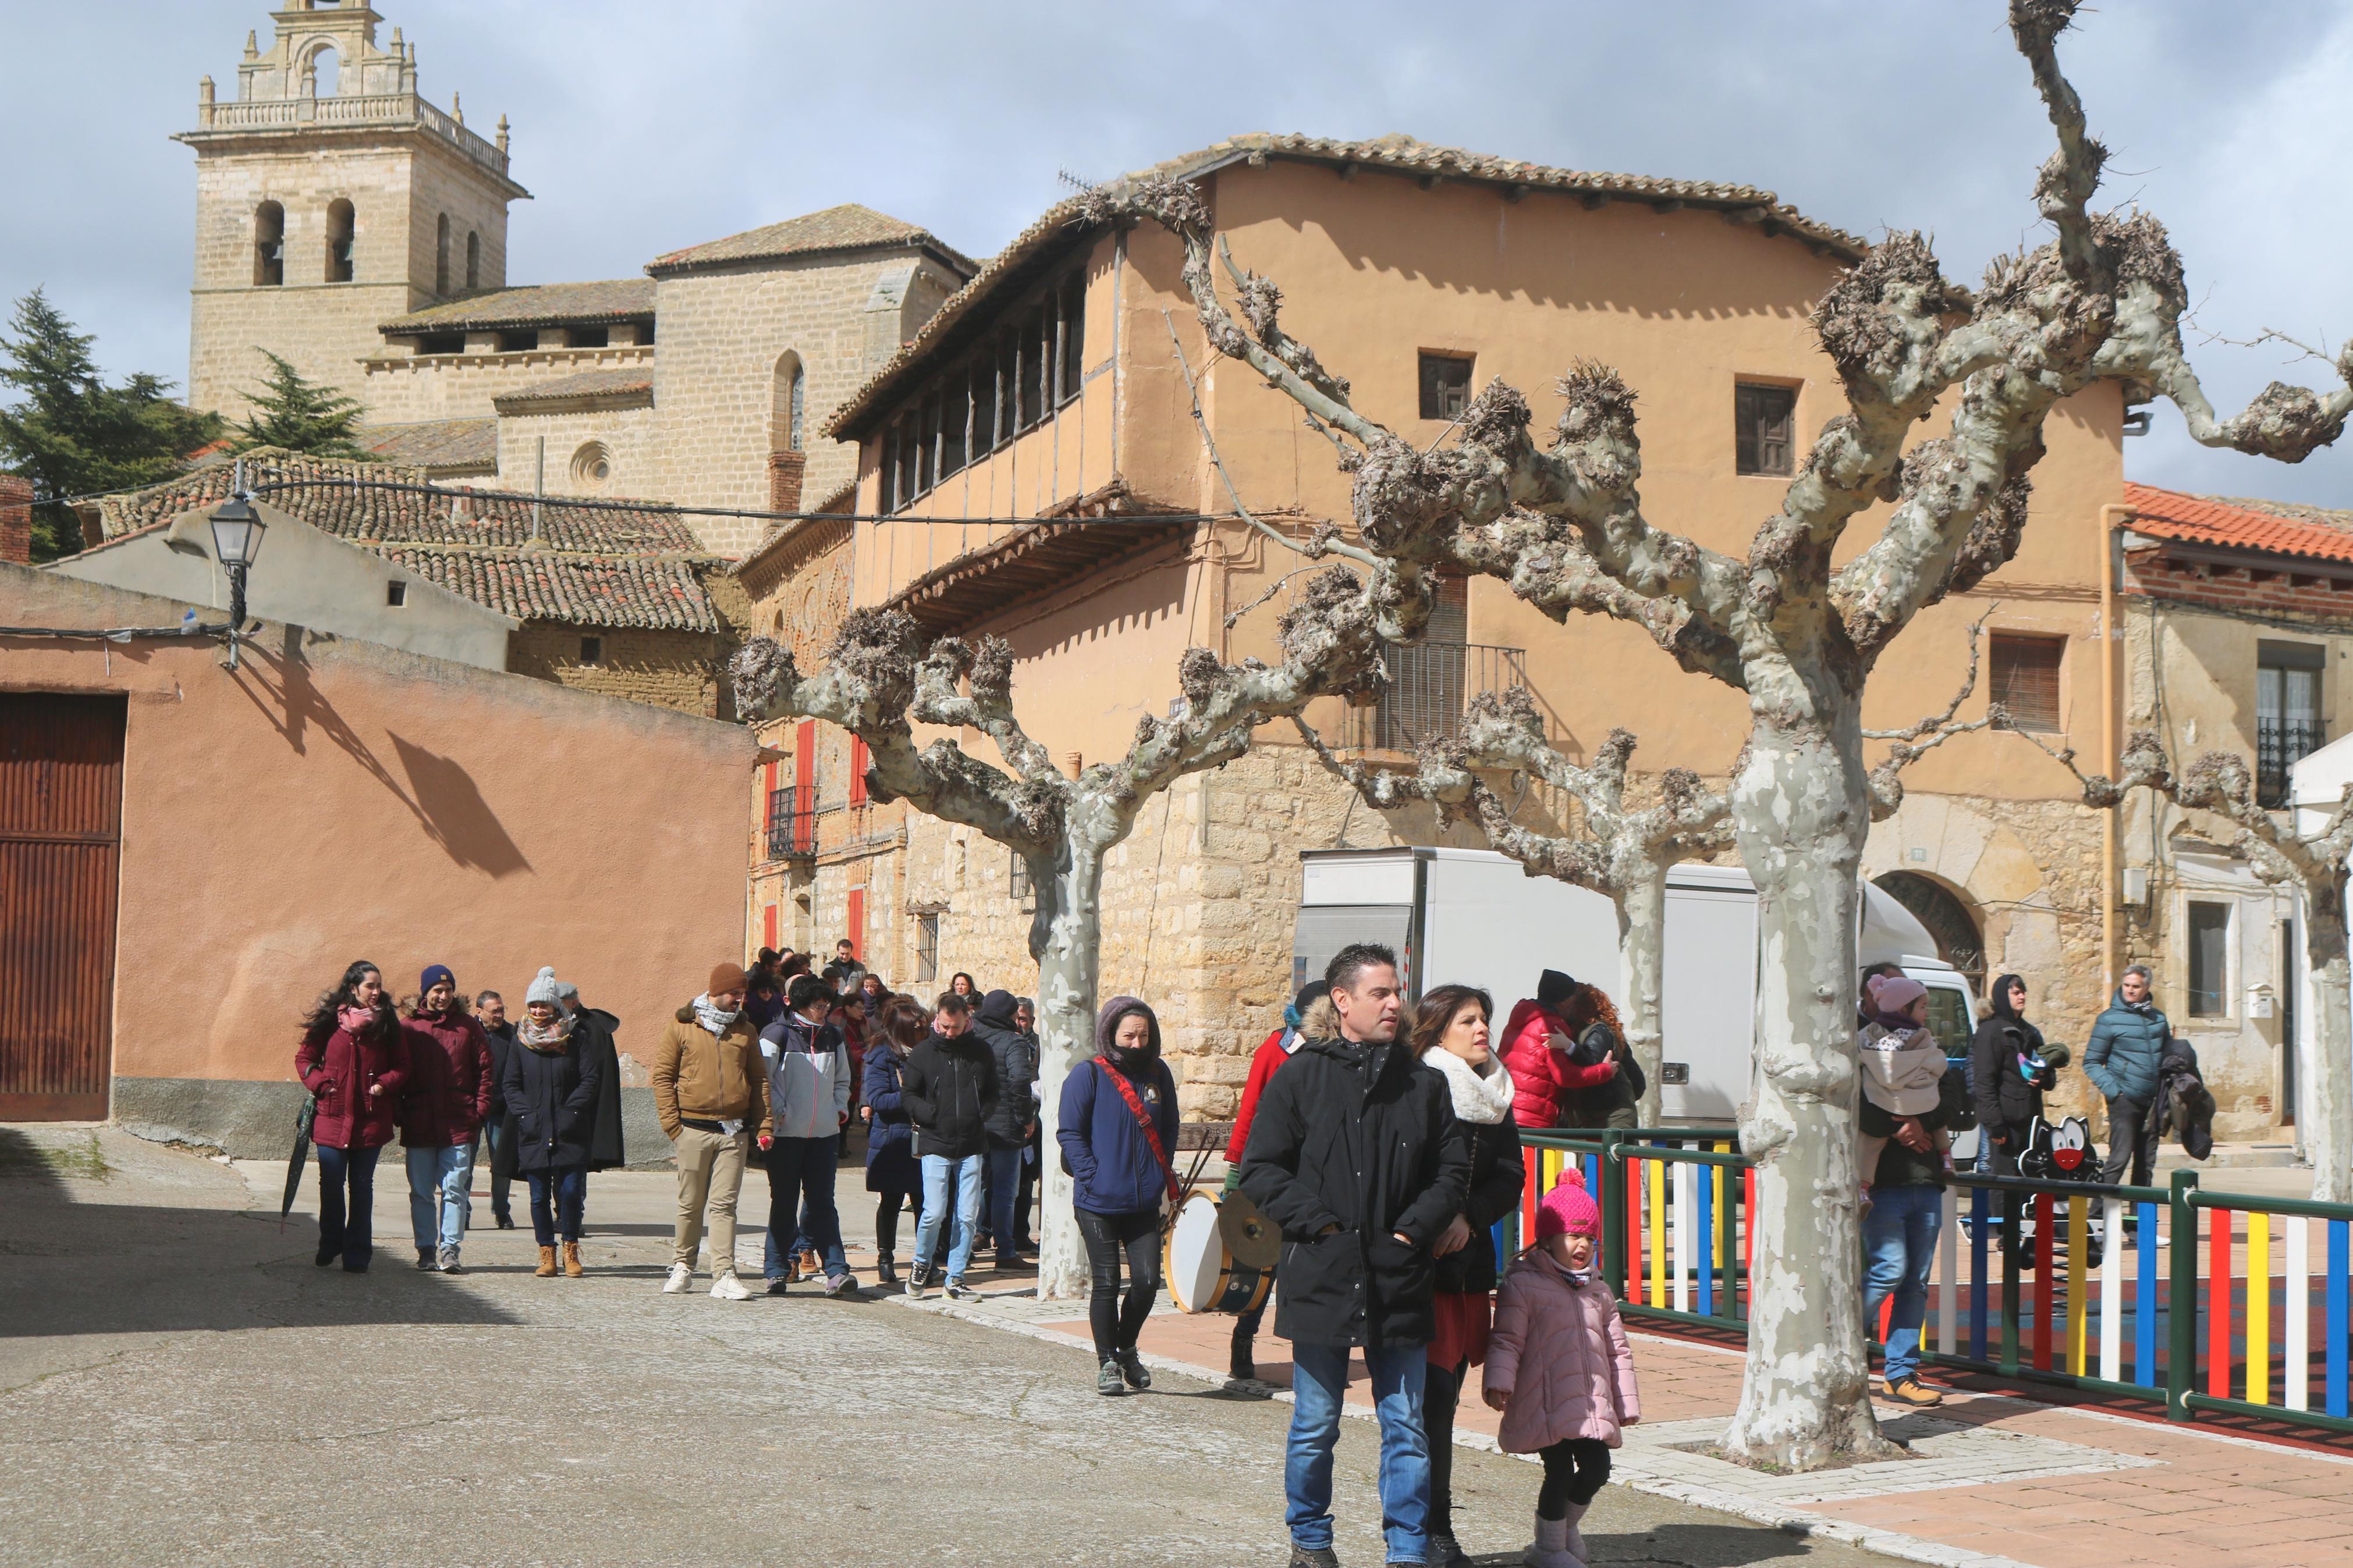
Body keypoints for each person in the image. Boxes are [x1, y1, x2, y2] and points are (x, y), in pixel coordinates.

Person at [1240, 943, 1470, 1568]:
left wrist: (1409, 1232)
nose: (1395, 1003)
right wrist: (1316, 1224)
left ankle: (1405, 1550)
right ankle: (1310, 1541)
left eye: (1397, 991)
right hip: (1321, 1271)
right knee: (1315, 1423)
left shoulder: (1423, 1083)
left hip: (1399, 1276)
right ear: (1341, 1001)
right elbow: (1259, 1168)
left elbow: (1451, 1170)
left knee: (1406, 1427)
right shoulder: (1299, 1076)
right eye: (1379, 992)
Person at [1412, 984, 1524, 1568]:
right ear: (1436, 1031)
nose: (1482, 1028)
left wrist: (1469, 1216)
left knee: (1444, 1405)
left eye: (1484, 1019)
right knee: (1425, 1407)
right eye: (1468, 1020)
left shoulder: (1497, 1092)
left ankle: (1432, 1526)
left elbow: (1510, 1176)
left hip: (1465, 1269)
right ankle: (1426, 1531)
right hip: (1418, 1267)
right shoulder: (1419, 1085)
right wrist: (1435, 1220)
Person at [1483, 1168, 1639, 1568]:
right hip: (1545, 1398)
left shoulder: (1598, 1290)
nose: (1582, 1245)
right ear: (1549, 1239)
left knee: (1596, 1468)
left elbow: (1617, 1350)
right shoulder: (1523, 1284)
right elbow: (1506, 1338)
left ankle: (1561, 1533)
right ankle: (1549, 1549)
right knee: (1556, 1470)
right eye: (1573, 1235)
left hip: (1589, 1402)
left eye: (1589, 1237)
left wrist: (1624, 1401)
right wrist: (1499, 1380)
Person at [1057, 996, 1180, 1395]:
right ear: (1111, 1033)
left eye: (1143, 1035)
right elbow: (1070, 1133)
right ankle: (1106, 1361)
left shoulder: (1158, 1075)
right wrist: (1091, 1174)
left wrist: (1160, 1175)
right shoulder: (1088, 1074)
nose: (1136, 1042)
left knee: (1147, 1282)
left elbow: (1169, 1128)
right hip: (1097, 1201)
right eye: (1128, 1034)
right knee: (1107, 1282)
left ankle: (1126, 1347)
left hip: (1142, 1201)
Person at [1223, 981, 1325, 1382]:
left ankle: (1310, 1352)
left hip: (1314, 1178)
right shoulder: (1274, 1051)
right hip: (1272, 1175)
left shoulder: (1332, 1054)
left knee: (1303, 1267)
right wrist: (1236, 1171)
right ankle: (1243, 1338)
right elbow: (1249, 1109)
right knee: (1263, 1265)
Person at [652, 962, 766, 1300]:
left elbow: (760, 1080)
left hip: (733, 1133)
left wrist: (765, 1125)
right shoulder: (682, 1025)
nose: (740, 1000)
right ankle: (683, 1266)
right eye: (735, 993)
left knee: (724, 1205)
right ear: (716, 992)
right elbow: (662, 1077)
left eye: (743, 994)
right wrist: (674, 1126)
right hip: (691, 1129)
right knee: (690, 1203)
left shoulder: (746, 1031)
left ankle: (724, 1274)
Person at [1859, 1034, 1958, 1407]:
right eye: (1917, 1007)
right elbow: (1862, 1108)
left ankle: (1900, 1373)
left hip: (1926, 1184)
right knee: (1889, 1269)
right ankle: (1844, 1336)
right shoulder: (1863, 1052)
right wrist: (1899, 1126)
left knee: (1914, 1283)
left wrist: (1920, 1121)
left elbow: (1951, 1097)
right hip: (1884, 1186)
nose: (1922, 1015)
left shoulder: (1928, 1052)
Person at [295, 961, 407, 1273]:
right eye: (370, 986)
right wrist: (320, 1084)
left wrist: (385, 1084)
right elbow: (304, 1058)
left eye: (378, 985)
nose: (376, 992)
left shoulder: (387, 1024)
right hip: (331, 1117)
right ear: (353, 988)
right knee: (331, 1184)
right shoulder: (330, 1022)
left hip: (370, 1120)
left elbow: (403, 1067)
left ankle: (357, 1255)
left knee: (361, 1186)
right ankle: (330, 1244)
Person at [761, 973, 860, 1298]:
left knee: (822, 1203)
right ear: (801, 1007)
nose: (824, 1011)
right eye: (819, 1006)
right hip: (786, 1135)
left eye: (827, 1005)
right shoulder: (776, 1035)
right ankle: (776, 1271)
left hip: (824, 1135)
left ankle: (836, 1270)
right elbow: (765, 1080)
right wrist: (780, 1110)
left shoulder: (834, 1035)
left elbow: (844, 1078)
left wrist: (839, 1110)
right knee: (785, 1203)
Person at [505, 967, 604, 1278]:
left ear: (555, 1006)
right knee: (538, 1196)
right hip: (534, 1129)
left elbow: (590, 1078)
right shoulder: (520, 1039)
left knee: (571, 1192)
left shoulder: (576, 1036)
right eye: (533, 1005)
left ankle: (571, 1251)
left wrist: (572, 1111)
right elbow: (510, 1084)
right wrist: (525, 1114)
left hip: (569, 1128)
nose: (538, 1010)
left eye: (543, 1005)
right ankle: (546, 1253)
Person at [900, 990, 998, 1302]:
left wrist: (983, 1114)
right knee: (933, 1212)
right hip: (935, 1142)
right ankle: (921, 1263)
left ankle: (956, 1278)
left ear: (966, 1020)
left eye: (955, 1027)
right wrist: (931, 1115)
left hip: (971, 1143)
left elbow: (995, 1090)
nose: (949, 1032)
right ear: (936, 1020)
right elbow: (909, 1096)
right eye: (944, 1026)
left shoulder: (981, 1051)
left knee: (967, 1216)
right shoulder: (922, 1053)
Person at [399, 964, 494, 1273]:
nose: (443, 996)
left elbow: (485, 1071)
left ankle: (450, 1250)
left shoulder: (468, 1026)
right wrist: (401, 1113)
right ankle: (426, 1249)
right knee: (422, 1191)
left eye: (448, 990)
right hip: (420, 1122)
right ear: (425, 993)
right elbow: (397, 1071)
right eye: (437, 991)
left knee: (455, 1190)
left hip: (459, 1121)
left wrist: (478, 1111)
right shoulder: (409, 1028)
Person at [1855, 975, 1951, 1198]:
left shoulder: (1867, 1039)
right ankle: (1946, 1156)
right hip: (1911, 1176)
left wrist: (1895, 1127)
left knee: (1868, 1146)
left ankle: (1862, 1188)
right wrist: (1918, 1124)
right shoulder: (1922, 1038)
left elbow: (1857, 1101)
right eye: (1923, 1007)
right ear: (1902, 1009)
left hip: (1881, 1103)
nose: (1927, 1013)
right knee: (1933, 1097)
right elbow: (1943, 1079)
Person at [1499, 970, 1620, 1131]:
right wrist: (1605, 1071)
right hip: (1533, 1120)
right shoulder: (1553, 1026)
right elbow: (1566, 1076)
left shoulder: (1517, 1022)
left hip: (1507, 1113)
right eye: (1575, 999)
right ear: (1564, 1001)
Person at [863, 995, 929, 1288]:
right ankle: (885, 1259)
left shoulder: (926, 1053)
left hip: (923, 1139)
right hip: (892, 1139)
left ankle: (924, 1261)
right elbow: (877, 1099)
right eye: (917, 1029)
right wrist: (911, 1098)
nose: (923, 1033)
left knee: (926, 1203)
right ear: (902, 1029)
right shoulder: (882, 1055)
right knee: (890, 1202)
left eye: (925, 1028)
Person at [2085, 964, 2170, 1189]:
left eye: (2136, 986)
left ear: (2147, 988)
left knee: (2146, 1164)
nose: (2130, 990)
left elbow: (2168, 1055)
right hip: (2124, 1100)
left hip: (2152, 1102)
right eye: (2126, 985)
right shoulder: (2109, 1020)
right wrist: (2115, 1092)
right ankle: (2098, 1213)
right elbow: (2091, 1062)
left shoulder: (2159, 1019)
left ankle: (2138, 1221)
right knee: (2119, 1159)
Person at [1970, 972, 2063, 1176]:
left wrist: (2043, 1078)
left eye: (2023, 993)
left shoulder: (2030, 1032)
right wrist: (1995, 1124)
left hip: (2030, 1119)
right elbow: (1984, 1081)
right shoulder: (1991, 1032)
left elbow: (2047, 1070)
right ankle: (1999, 1211)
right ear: (2004, 996)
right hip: (2005, 1122)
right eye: (2016, 993)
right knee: (2004, 1182)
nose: (2022, 997)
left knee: (2029, 1179)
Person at [973, 989, 1039, 1269]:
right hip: (1006, 1129)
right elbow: (1019, 1083)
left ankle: (962, 1248)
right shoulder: (1013, 1043)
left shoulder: (971, 1035)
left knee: (970, 1189)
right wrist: (1027, 1120)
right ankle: (1006, 1251)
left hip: (972, 1125)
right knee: (1004, 1191)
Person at [555, 980, 628, 1174]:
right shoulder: (549, 1023)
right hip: (555, 1108)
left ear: (574, 1002)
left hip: (583, 1108)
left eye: (560, 1002)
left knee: (575, 1172)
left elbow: (598, 1073)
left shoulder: (594, 1027)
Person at [1555, 977, 1638, 1130]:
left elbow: (1592, 1065)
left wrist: (1569, 1047)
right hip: (1599, 1116)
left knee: (1612, 1154)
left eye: (1569, 1001)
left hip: (1609, 1118)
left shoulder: (1597, 1030)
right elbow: (1638, 1081)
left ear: (1580, 1006)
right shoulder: (1596, 1030)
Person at [473, 990, 520, 1229]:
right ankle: (462, 1213)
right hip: (471, 1109)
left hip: (501, 1109)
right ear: (479, 1011)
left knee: (502, 1164)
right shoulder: (468, 1033)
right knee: (463, 1165)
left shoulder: (512, 1035)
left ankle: (502, 1211)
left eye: (502, 1010)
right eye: (495, 1011)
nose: (499, 1015)